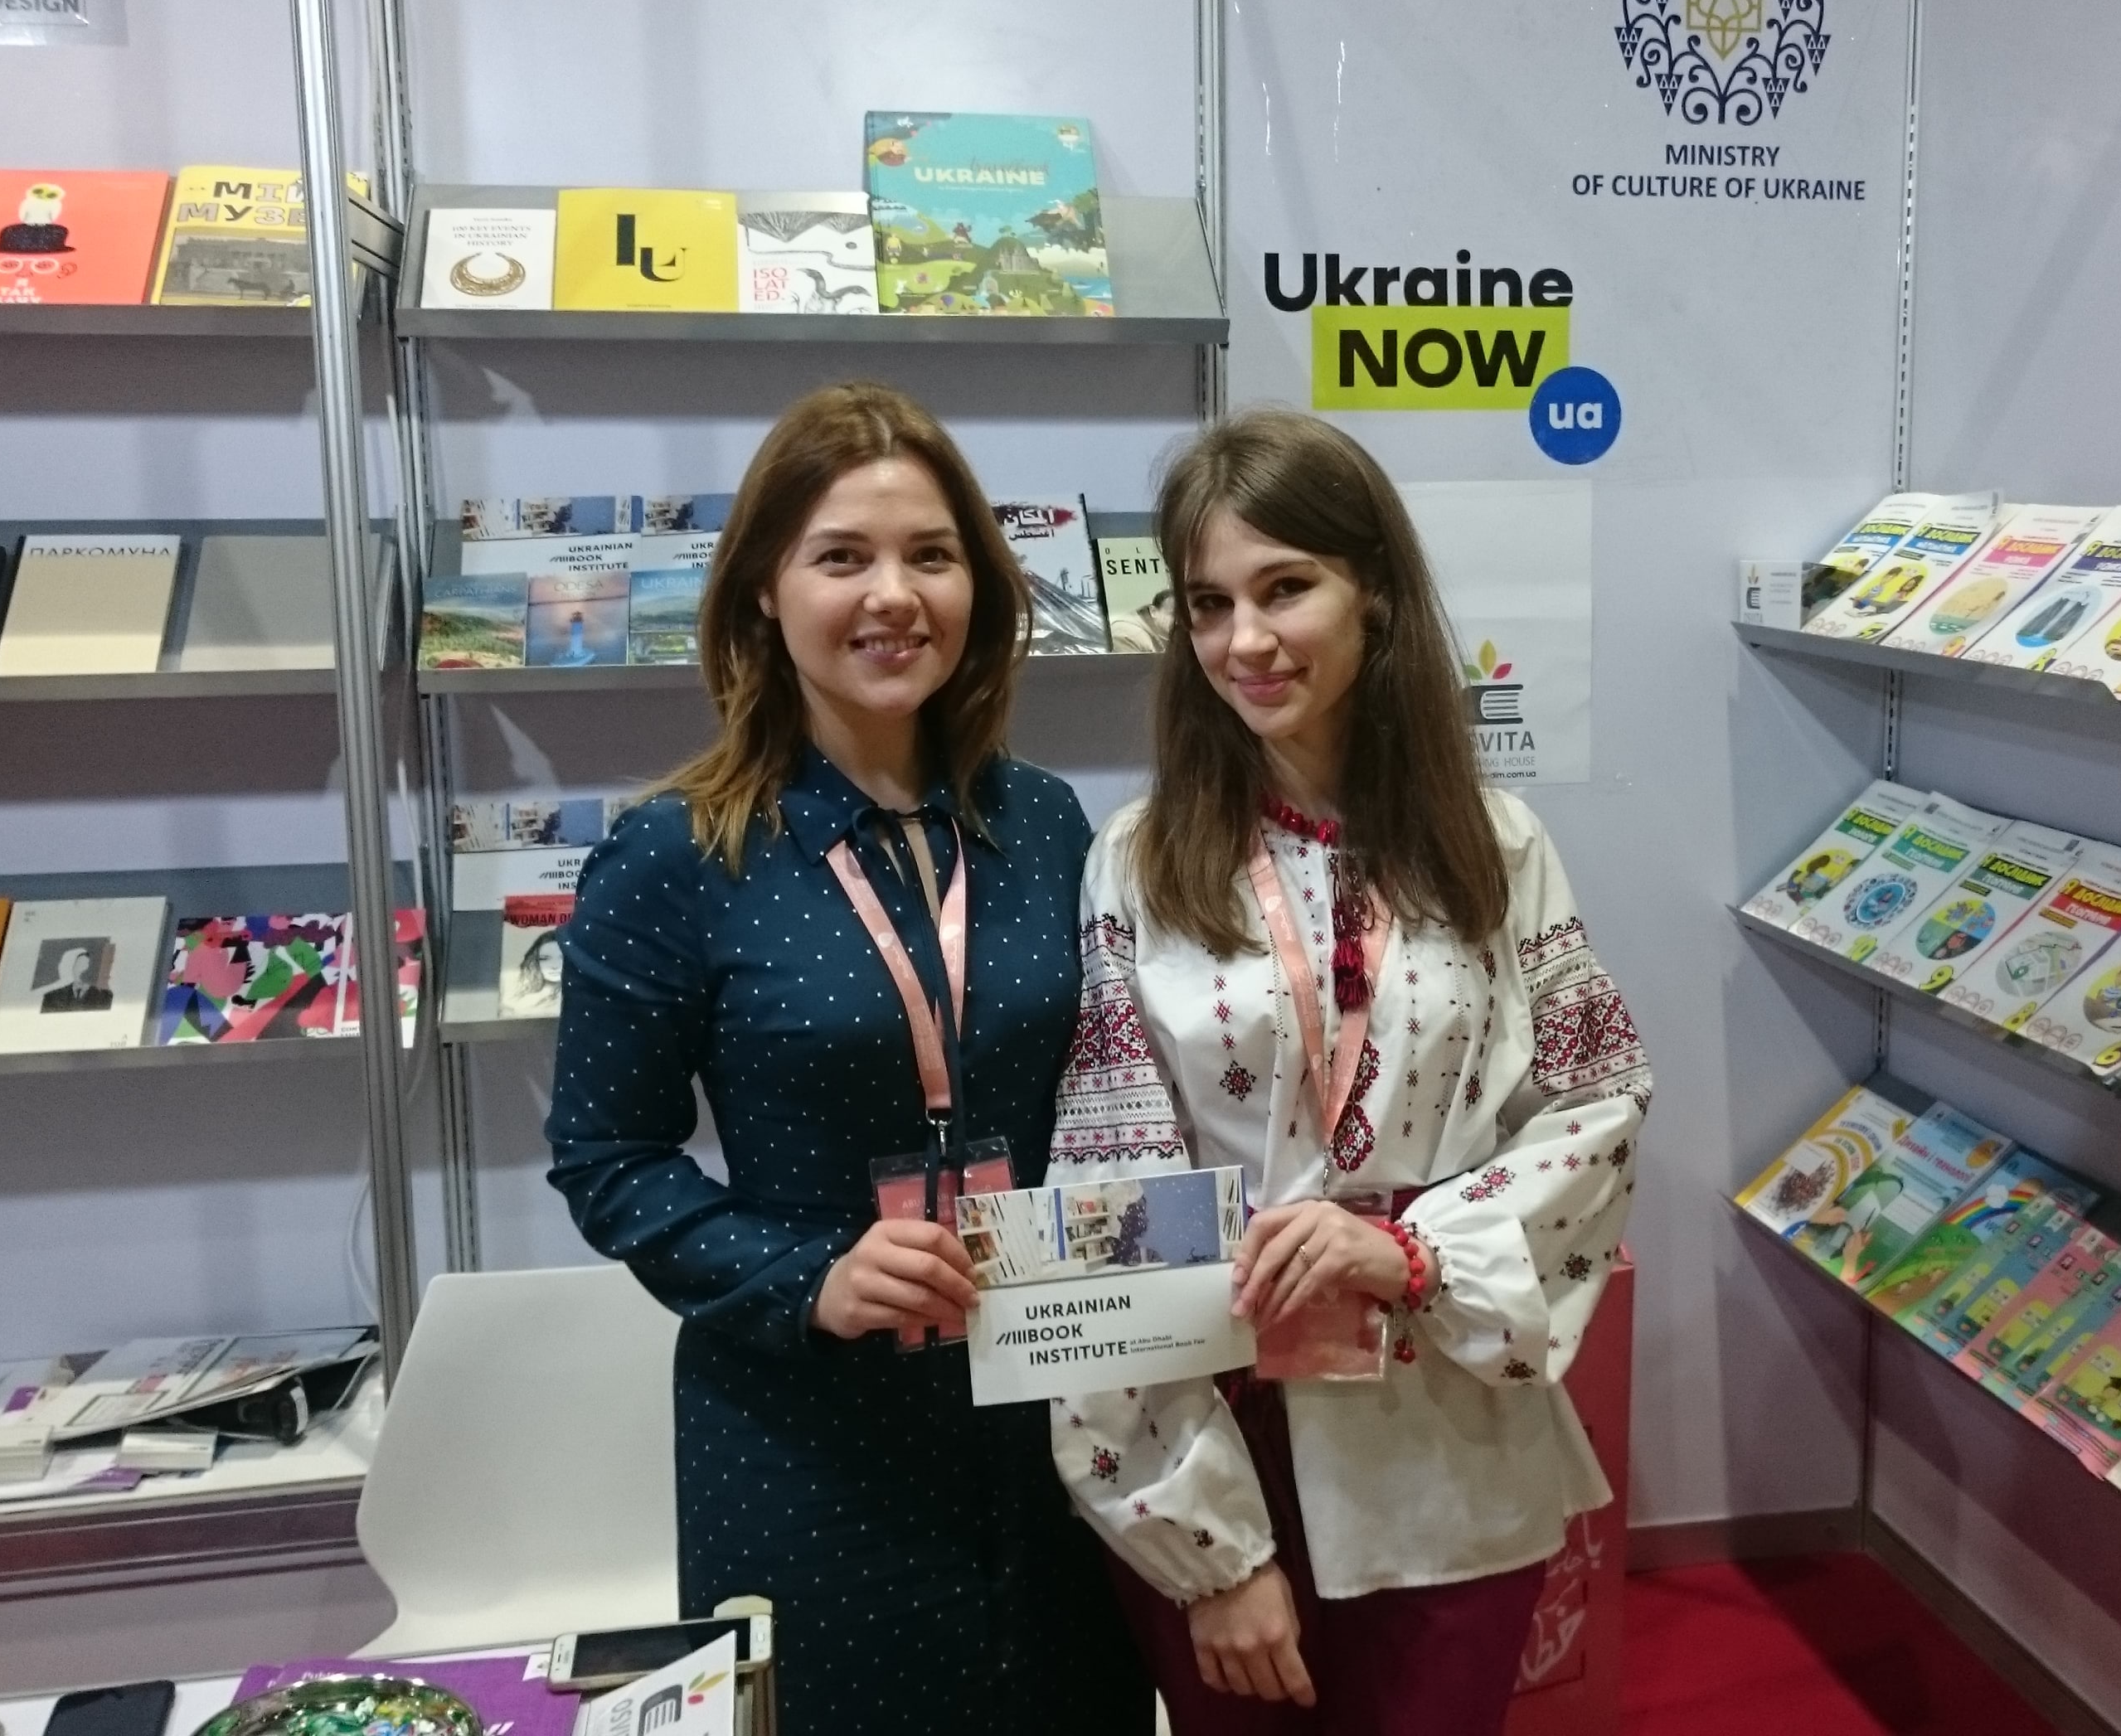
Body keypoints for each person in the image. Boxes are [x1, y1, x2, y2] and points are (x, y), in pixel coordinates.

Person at [546, 381, 1151, 1736]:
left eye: (931, 555)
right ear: (765, 589)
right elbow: (606, 1159)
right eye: (842, 557)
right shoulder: (672, 855)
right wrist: (809, 1276)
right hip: (809, 1438)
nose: (894, 596)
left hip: (1049, 1405)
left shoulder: (1047, 825)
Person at [1046, 409, 1652, 1734]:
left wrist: (1415, 1251)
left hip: (1446, 1436)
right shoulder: (1138, 862)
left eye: (1285, 588)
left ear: (1372, 588)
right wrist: (1205, 1545)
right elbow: (1111, 1189)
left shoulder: (1493, 842)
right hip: (1222, 1428)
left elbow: (1600, 1105)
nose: (1244, 642)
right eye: (1209, 604)